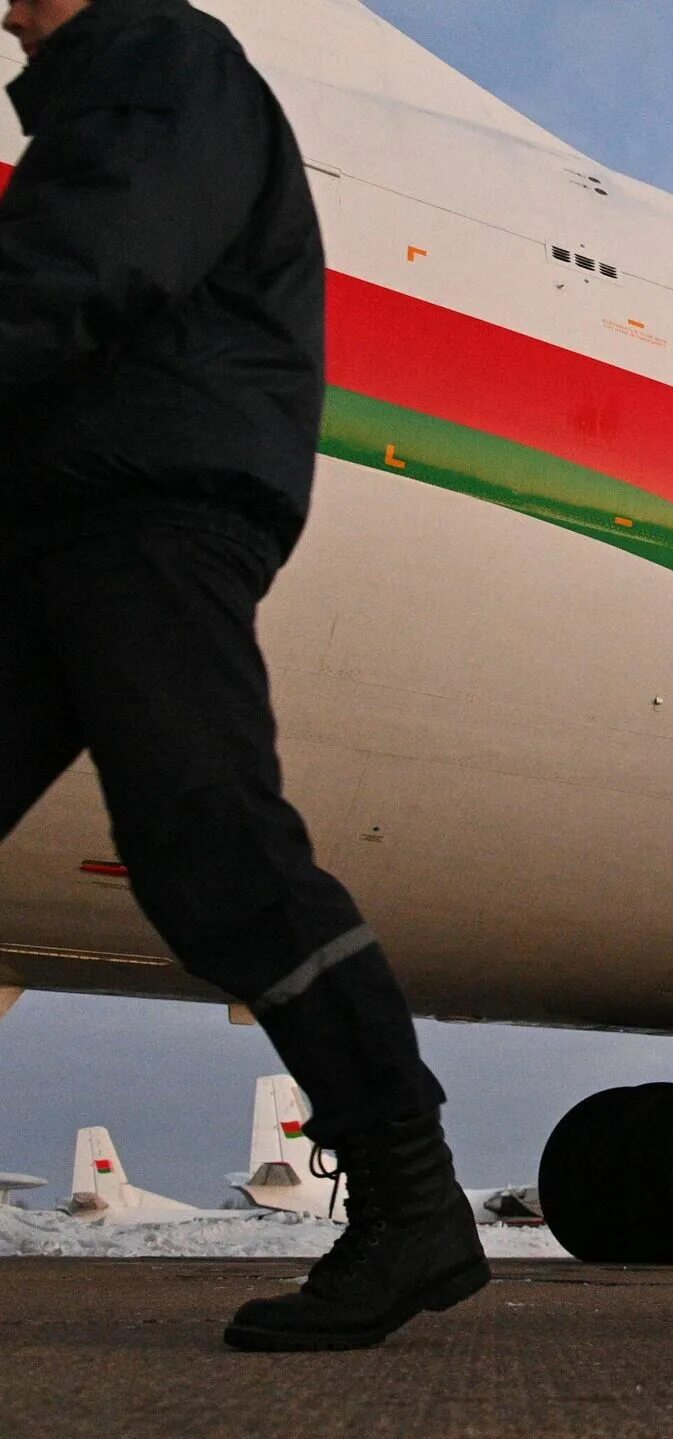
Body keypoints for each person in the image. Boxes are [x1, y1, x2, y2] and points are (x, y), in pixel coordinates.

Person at [0, 0, 485, 1347]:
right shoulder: (115, 89)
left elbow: (97, 256)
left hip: (149, 496)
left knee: (210, 836)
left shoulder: (164, 61)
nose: (13, 8)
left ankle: (410, 1196)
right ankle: (412, 1196)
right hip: (59, 509)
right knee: (200, 835)